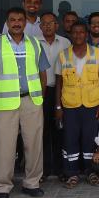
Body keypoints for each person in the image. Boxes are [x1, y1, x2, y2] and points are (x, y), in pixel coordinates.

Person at [0, 7, 50, 198]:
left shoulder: (35, 43)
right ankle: (2, 187)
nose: (17, 23)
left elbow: (42, 72)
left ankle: (32, 183)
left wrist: (40, 97)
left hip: (31, 101)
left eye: (20, 20)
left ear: (26, 23)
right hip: (4, 103)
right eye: (13, 20)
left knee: (34, 144)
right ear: (7, 23)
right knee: (4, 146)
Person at [55, 22, 99, 188]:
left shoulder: (98, 54)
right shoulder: (63, 55)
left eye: (81, 32)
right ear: (70, 34)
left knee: (89, 139)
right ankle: (72, 173)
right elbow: (59, 83)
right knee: (70, 139)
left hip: (91, 104)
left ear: (87, 34)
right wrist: (58, 107)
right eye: (75, 32)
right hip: (70, 105)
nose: (78, 35)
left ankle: (90, 172)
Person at [38, 12, 71, 181]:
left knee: (60, 131)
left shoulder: (66, 43)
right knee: (42, 132)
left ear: (57, 25)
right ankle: (43, 170)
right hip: (40, 92)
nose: (48, 26)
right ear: (40, 26)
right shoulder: (34, 43)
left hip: (62, 92)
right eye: (44, 23)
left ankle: (60, 169)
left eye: (51, 23)